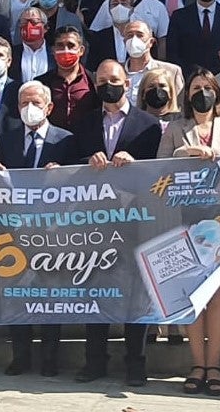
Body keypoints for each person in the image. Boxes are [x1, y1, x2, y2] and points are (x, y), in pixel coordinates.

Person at [161, 70, 220, 396]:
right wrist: (186, 154)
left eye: (207, 88)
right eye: (196, 88)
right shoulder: (175, 128)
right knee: (192, 294)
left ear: (217, 93)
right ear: (188, 95)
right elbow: (160, 170)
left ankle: (214, 363)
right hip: (184, 221)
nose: (202, 93)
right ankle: (197, 363)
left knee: (218, 294)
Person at [73, 60, 163, 386]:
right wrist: (89, 162)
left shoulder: (149, 125)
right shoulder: (83, 124)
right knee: (94, 289)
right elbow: (70, 165)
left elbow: (159, 171)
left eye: (114, 79)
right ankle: (94, 361)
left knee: (134, 293)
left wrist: (136, 164)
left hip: (135, 220)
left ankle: (135, 364)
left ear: (127, 84)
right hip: (93, 221)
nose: (107, 85)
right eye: (101, 80)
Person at [0, 81, 81, 377]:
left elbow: (82, 184)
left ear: (49, 107)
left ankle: (49, 358)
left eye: (35, 102)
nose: (29, 108)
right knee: (18, 293)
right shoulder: (6, 139)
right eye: (23, 103)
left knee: (50, 295)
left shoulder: (67, 141)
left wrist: (64, 174)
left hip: (52, 231)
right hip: (14, 229)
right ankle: (20, 356)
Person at [35, 25, 97, 130]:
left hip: (85, 141)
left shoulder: (93, 80)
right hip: (53, 142)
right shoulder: (41, 83)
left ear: (81, 50)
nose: (65, 50)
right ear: (53, 51)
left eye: (71, 45)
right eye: (60, 45)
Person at [112, 19, 183, 107]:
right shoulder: (116, 73)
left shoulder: (172, 71)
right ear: (124, 41)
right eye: (130, 35)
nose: (134, 39)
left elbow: (179, 107)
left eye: (139, 35)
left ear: (151, 42)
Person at [10, 7, 53, 82]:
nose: (29, 26)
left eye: (34, 22)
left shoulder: (54, 54)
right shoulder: (11, 54)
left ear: (45, 28)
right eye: (24, 22)